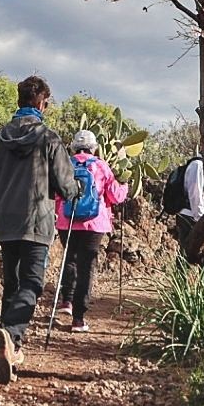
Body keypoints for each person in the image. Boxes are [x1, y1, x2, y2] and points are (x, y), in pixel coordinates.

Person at [0, 75, 81, 384]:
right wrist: (76, 189)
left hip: (4, 224)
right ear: (42, 103)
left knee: (13, 284)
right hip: (36, 223)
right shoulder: (49, 139)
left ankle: (10, 347)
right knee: (32, 284)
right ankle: (11, 335)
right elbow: (65, 185)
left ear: (19, 101)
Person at [52, 129, 128, 333]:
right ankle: (78, 318)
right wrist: (126, 186)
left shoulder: (65, 164)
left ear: (73, 147)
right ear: (94, 148)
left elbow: (57, 194)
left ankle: (66, 301)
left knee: (70, 258)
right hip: (94, 224)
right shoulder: (101, 166)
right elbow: (115, 196)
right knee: (87, 267)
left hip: (67, 221)